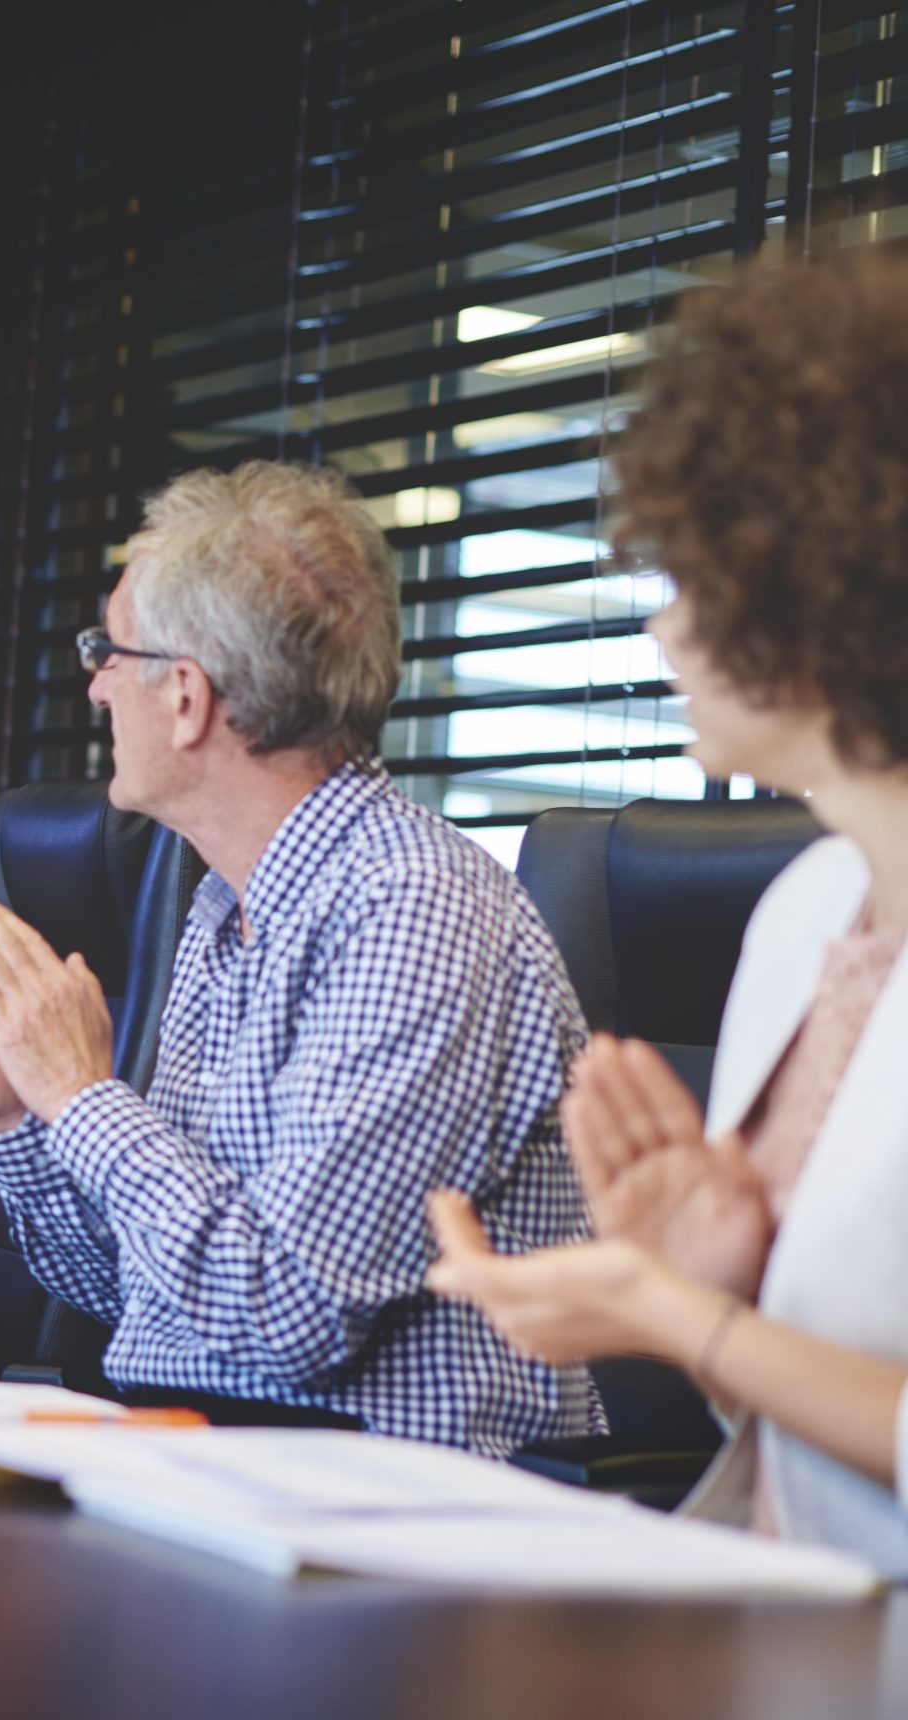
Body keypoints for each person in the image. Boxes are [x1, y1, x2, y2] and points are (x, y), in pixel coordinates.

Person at [0, 462, 600, 1452]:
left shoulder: (412, 911)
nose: (95, 683)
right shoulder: (224, 909)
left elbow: (284, 1317)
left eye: (109, 650)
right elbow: (137, 1286)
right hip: (220, 1462)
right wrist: (13, 1109)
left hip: (380, 1510)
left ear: (189, 697)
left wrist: (80, 1098)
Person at [426, 252, 908, 1575]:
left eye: (687, 574)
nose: (665, 633)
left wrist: (682, 1316)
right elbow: (789, 1423)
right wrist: (710, 1288)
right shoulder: (806, 915)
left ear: (821, 580)